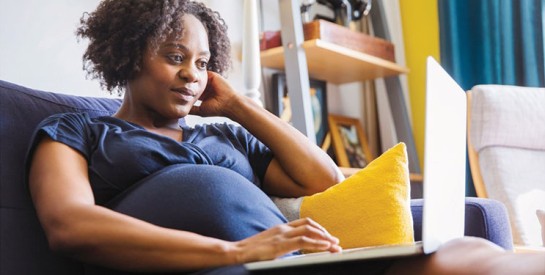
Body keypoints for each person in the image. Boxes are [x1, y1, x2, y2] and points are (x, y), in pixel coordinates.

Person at [27, 1, 544, 274]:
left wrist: (237, 104)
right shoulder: (78, 130)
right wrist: (236, 251)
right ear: (128, 53)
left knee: (474, 254)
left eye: (204, 64)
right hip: (222, 265)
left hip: (297, 263)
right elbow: (70, 226)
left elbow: (321, 181)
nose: (192, 75)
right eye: (175, 56)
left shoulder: (226, 135)